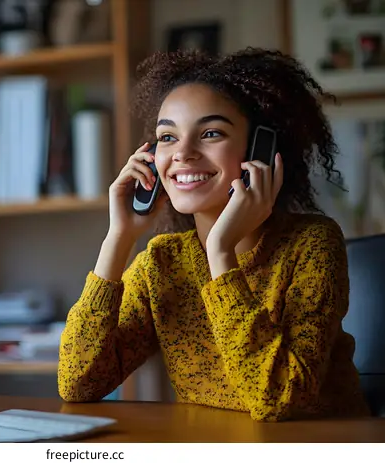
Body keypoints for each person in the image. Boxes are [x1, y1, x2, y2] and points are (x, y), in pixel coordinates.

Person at [57, 47, 370, 422]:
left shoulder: (312, 245)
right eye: (167, 137)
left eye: (210, 133)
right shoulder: (162, 262)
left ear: (262, 150)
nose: (183, 153)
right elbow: (78, 383)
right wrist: (118, 238)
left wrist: (220, 254)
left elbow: (279, 398)